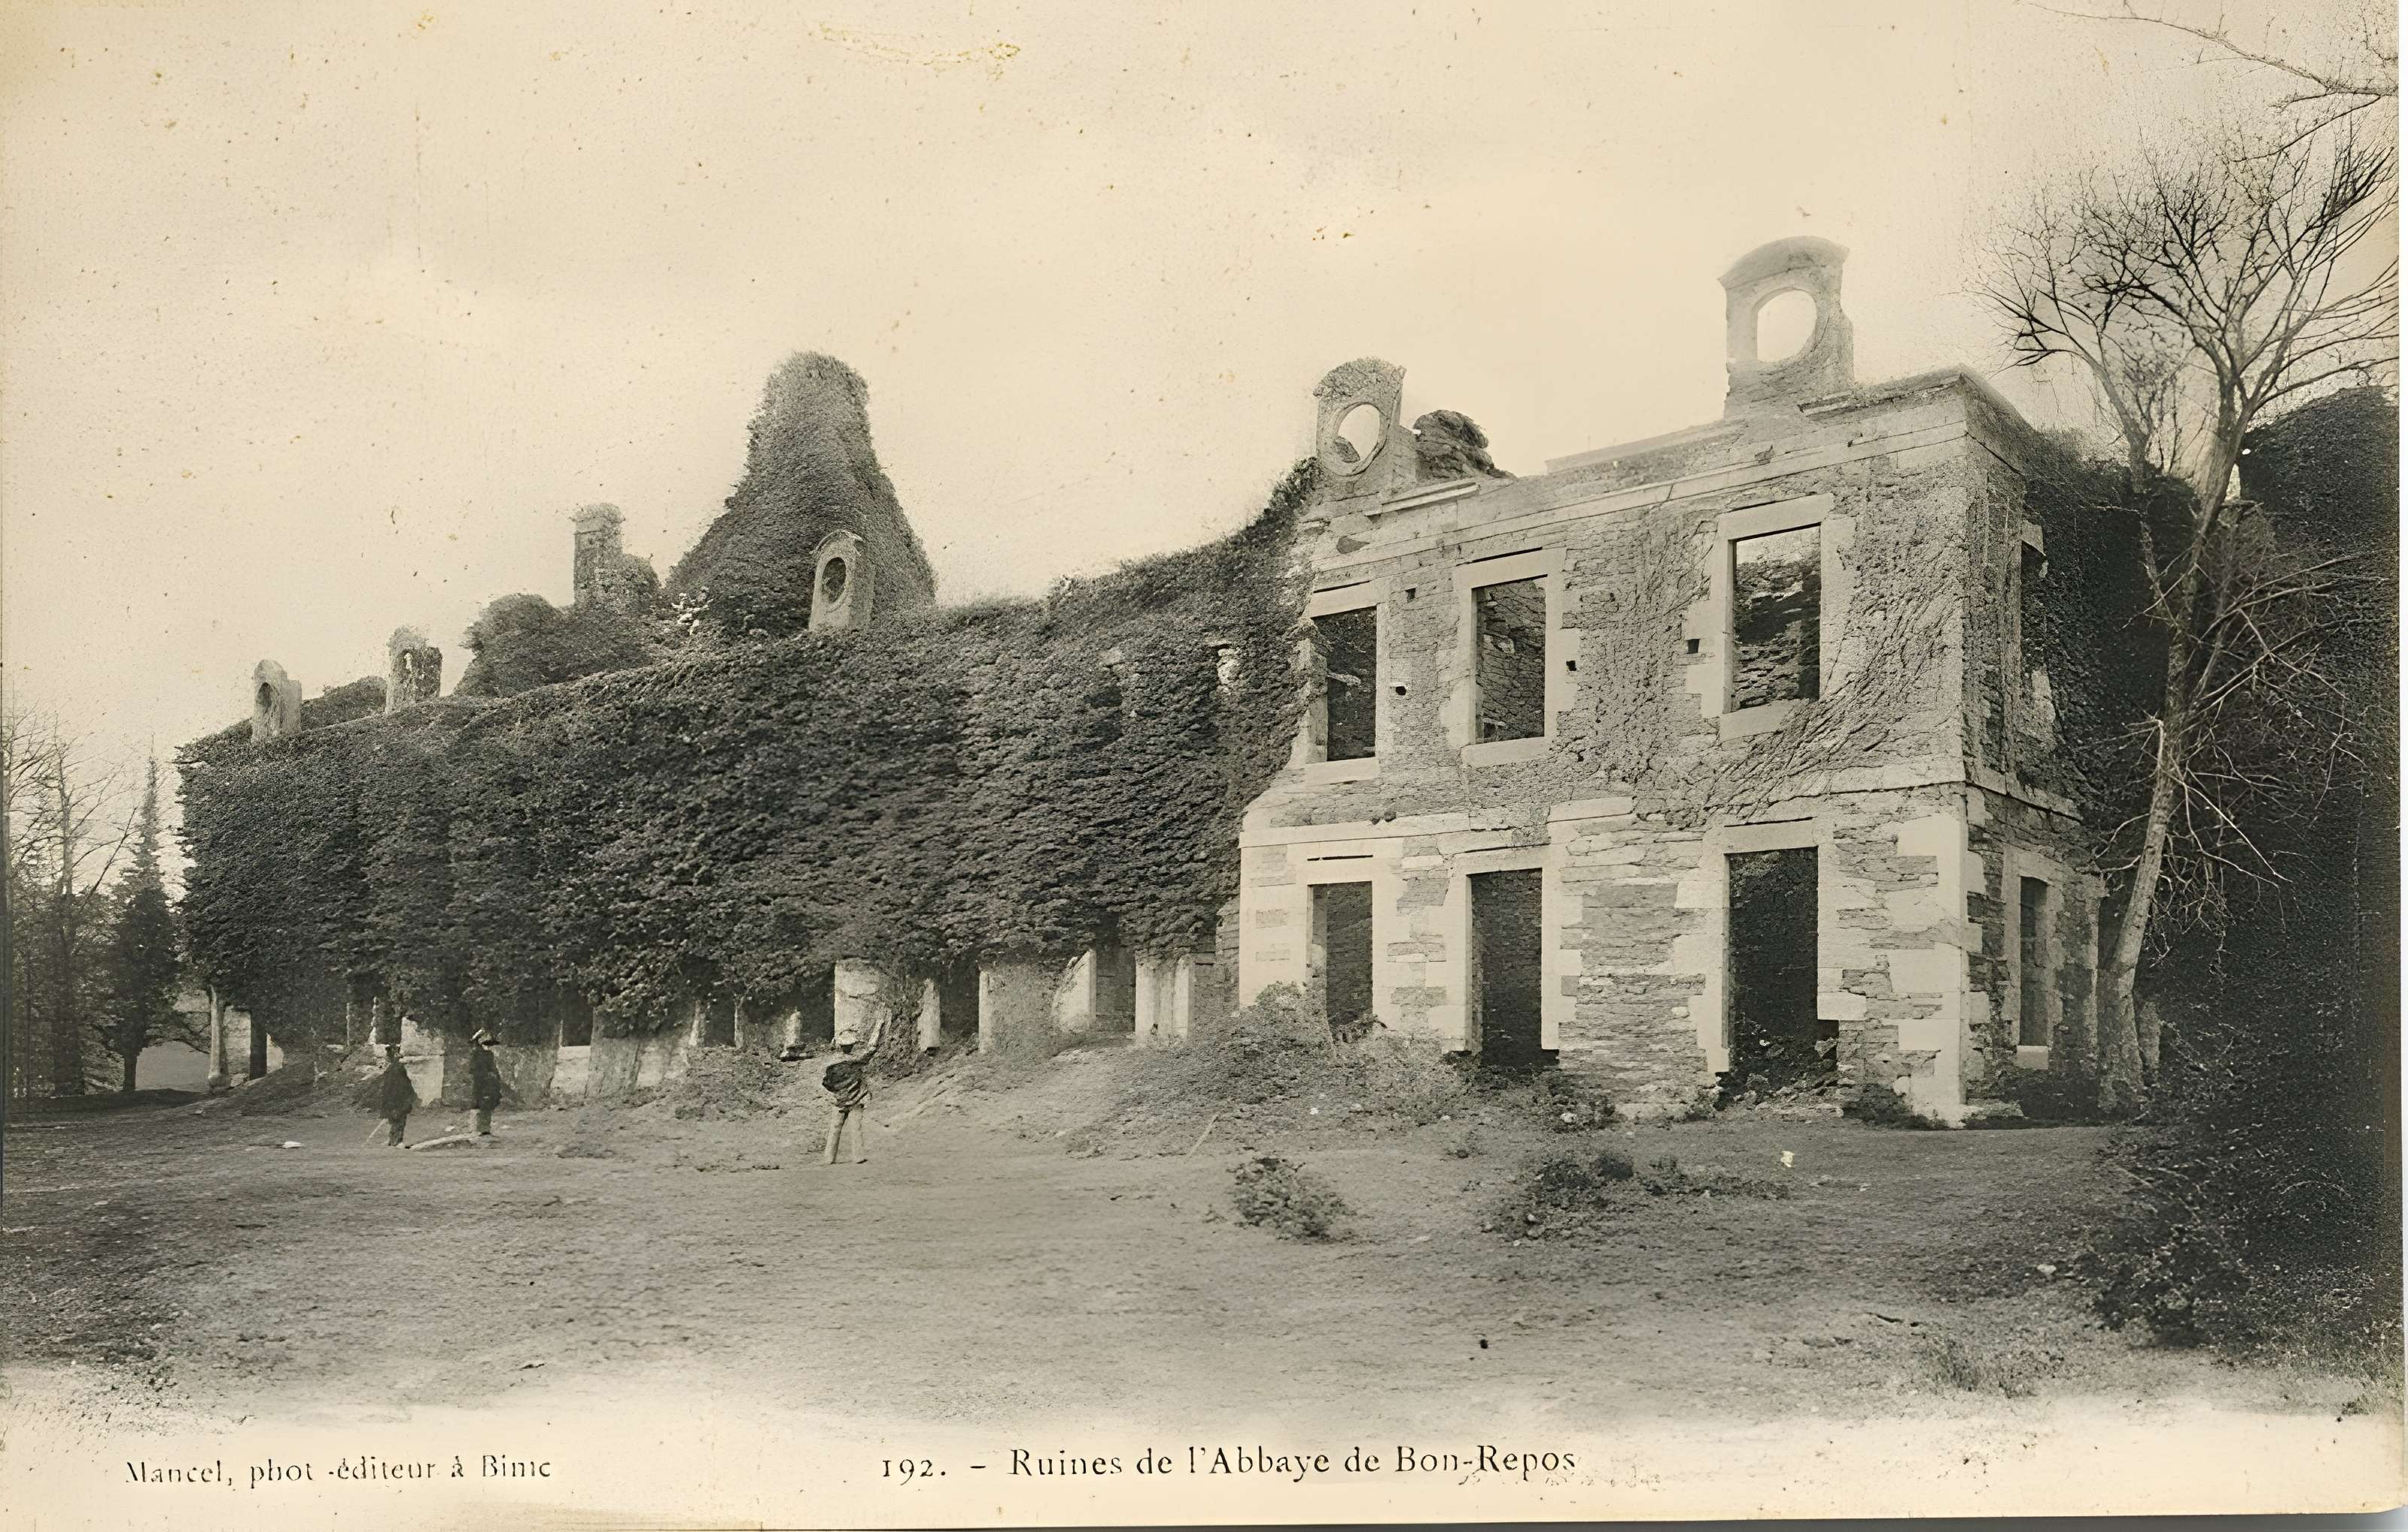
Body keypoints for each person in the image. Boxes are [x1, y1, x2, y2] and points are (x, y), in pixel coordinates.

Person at [375, 1044, 418, 1147]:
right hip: (393, 1097)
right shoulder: (393, 1067)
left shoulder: (398, 1067)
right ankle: (393, 1140)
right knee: (395, 1119)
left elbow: (404, 1084)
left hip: (399, 1097)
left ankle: (397, 1141)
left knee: (399, 1119)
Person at [467, 1029, 503, 1136]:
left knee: (488, 1104)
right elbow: (474, 1070)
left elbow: (493, 1069)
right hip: (481, 1082)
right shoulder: (477, 1054)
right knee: (480, 1103)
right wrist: (487, 1076)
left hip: (489, 1083)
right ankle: (478, 1129)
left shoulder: (488, 1054)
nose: (488, 1046)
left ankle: (484, 1129)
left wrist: (494, 1077)